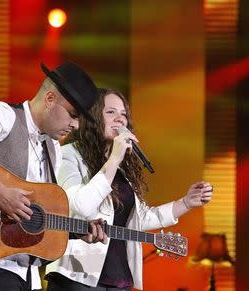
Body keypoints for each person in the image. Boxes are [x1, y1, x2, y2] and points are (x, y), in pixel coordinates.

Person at [0, 61, 107, 291]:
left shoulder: (53, 149)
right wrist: (0, 193)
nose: (76, 125)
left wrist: (78, 230)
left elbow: (33, 218)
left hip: (26, 273)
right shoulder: (4, 116)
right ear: (49, 99)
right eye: (72, 115)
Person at [45, 88, 214, 291]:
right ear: (92, 116)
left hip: (119, 280)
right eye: (111, 112)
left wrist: (186, 203)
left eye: (123, 114)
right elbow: (81, 206)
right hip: (78, 275)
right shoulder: (69, 155)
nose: (120, 119)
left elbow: (140, 218)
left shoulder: (121, 169)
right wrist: (115, 159)